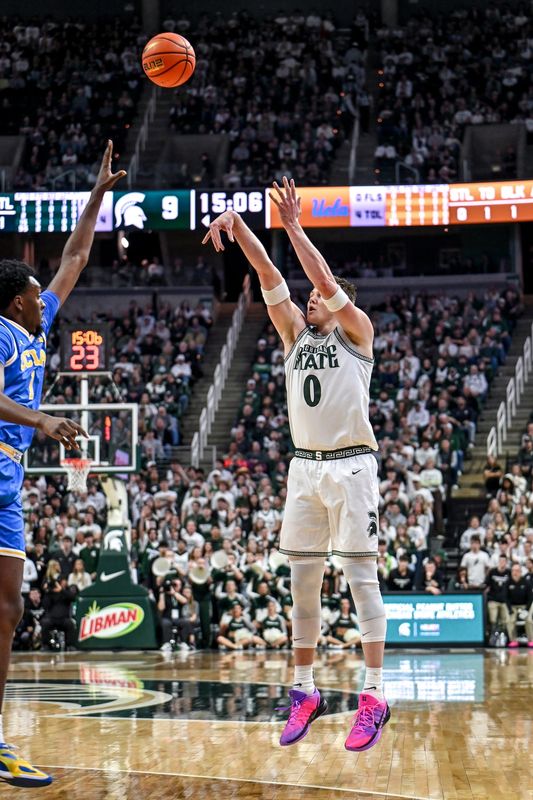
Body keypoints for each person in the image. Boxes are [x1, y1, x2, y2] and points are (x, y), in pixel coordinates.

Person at [203, 175, 389, 753]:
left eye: (317, 295)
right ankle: (304, 690)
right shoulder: (292, 335)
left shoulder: (358, 333)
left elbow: (323, 279)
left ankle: (376, 694)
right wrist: (239, 227)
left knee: (360, 578)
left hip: (353, 467)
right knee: (302, 584)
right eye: (306, 295)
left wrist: (294, 226)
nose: (308, 298)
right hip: (304, 470)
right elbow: (268, 276)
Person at [0, 141, 125, 787]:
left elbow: (75, 256)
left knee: (10, 609)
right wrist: (45, 420)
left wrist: (97, 195)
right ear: (15, 298)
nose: (41, 288)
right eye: (32, 284)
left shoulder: (37, 323)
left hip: (8, 488)